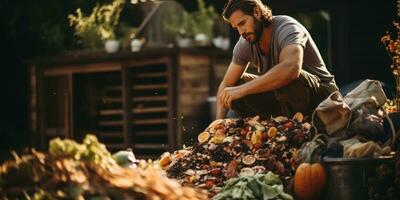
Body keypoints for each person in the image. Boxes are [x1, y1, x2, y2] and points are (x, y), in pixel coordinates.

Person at [216, 0, 339, 119]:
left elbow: (291, 69)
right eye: (236, 27)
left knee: (289, 78)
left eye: (242, 23)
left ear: (257, 12)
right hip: (284, 98)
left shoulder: (287, 27)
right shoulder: (245, 42)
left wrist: (243, 90)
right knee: (235, 84)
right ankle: (268, 129)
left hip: (323, 96)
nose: (241, 32)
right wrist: (216, 124)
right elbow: (226, 85)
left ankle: (298, 128)